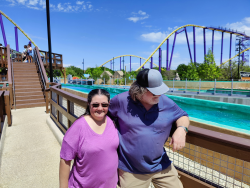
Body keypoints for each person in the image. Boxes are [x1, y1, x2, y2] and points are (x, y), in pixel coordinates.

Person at [108, 68, 189, 188]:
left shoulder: (166, 102)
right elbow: (104, 118)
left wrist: (182, 129)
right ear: (139, 91)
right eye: (154, 92)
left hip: (162, 166)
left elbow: (183, 115)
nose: (159, 94)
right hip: (131, 169)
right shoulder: (120, 101)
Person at [59, 89, 119, 188]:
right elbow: (65, 160)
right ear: (88, 104)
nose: (100, 108)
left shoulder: (112, 122)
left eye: (104, 105)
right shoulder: (78, 126)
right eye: (95, 105)